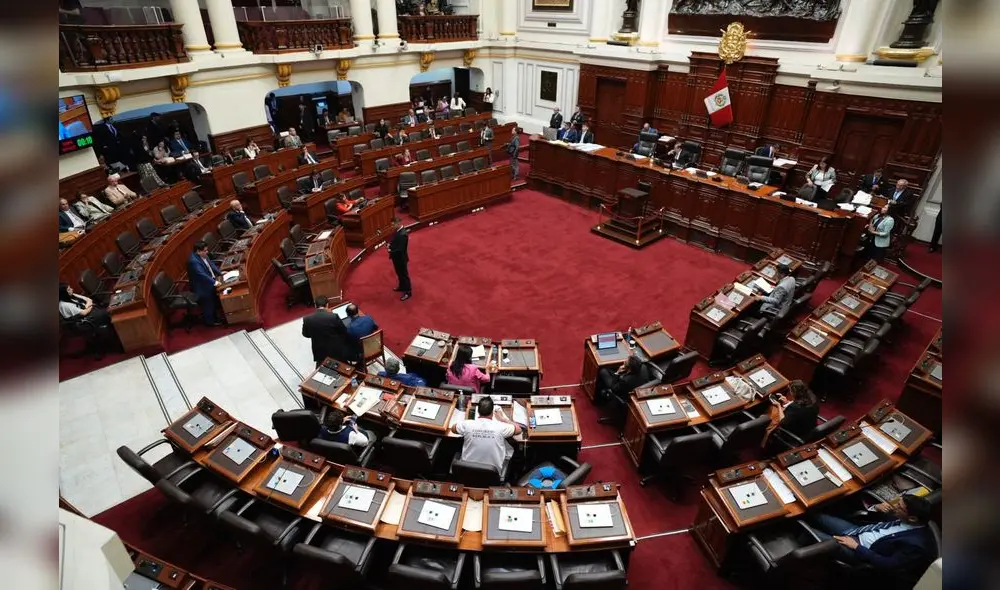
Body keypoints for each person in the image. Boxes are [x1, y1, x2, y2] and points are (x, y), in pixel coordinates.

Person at [807, 493, 936, 587]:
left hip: (858, 551)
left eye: (899, 507)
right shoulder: (904, 518)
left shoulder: (916, 545)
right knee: (817, 514)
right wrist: (876, 508)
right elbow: (879, 522)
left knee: (812, 533)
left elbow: (888, 564)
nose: (895, 506)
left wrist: (856, 547)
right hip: (856, 530)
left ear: (912, 518)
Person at [450, 396, 521, 475]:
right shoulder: (501, 426)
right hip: (492, 474)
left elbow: (453, 429)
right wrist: (503, 419)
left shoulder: (467, 424)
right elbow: (518, 429)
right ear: (492, 412)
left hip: (467, 472)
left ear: (478, 411)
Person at [301, 302, 362, 367]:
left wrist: (316, 334)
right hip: (337, 350)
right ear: (327, 304)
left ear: (315, 305)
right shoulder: (333, 316)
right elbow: (343, 331)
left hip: (320, 351)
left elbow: (305, 334)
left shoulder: (307, 319)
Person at [762, 380, 819, 445]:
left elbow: (782, 421)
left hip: (794, 433)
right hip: (809, 427)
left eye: (790, 391)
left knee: (772, 412)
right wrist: (787, 402)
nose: (790, 393)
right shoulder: (813, 398)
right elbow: (802, 408)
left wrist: (778, 406)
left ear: (794, 392)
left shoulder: (794, 407)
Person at [187, 241, 223, 326]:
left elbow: (211, 264)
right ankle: (210, 323)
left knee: (214, 301)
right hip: (202, 286)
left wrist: (220, 273)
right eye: (205, 251)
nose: (207, 252)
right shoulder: (194, 261)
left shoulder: (203, 255)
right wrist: (214, 282)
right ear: (198, 251)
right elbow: (201, 274)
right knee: (208, 304)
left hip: (209, 280)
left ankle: (215, 317)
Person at [388, 220, 411, 301]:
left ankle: (408, 292)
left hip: (401, 258)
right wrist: (390, 245)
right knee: (399, 273)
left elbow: (400, 249)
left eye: (393, 225)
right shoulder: (397, 232)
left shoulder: (403, 234)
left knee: (404, 275)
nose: (392, 226)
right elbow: (394, 242)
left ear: (398, 224)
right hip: (396, 258)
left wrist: (390, 250)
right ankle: (401, 287)